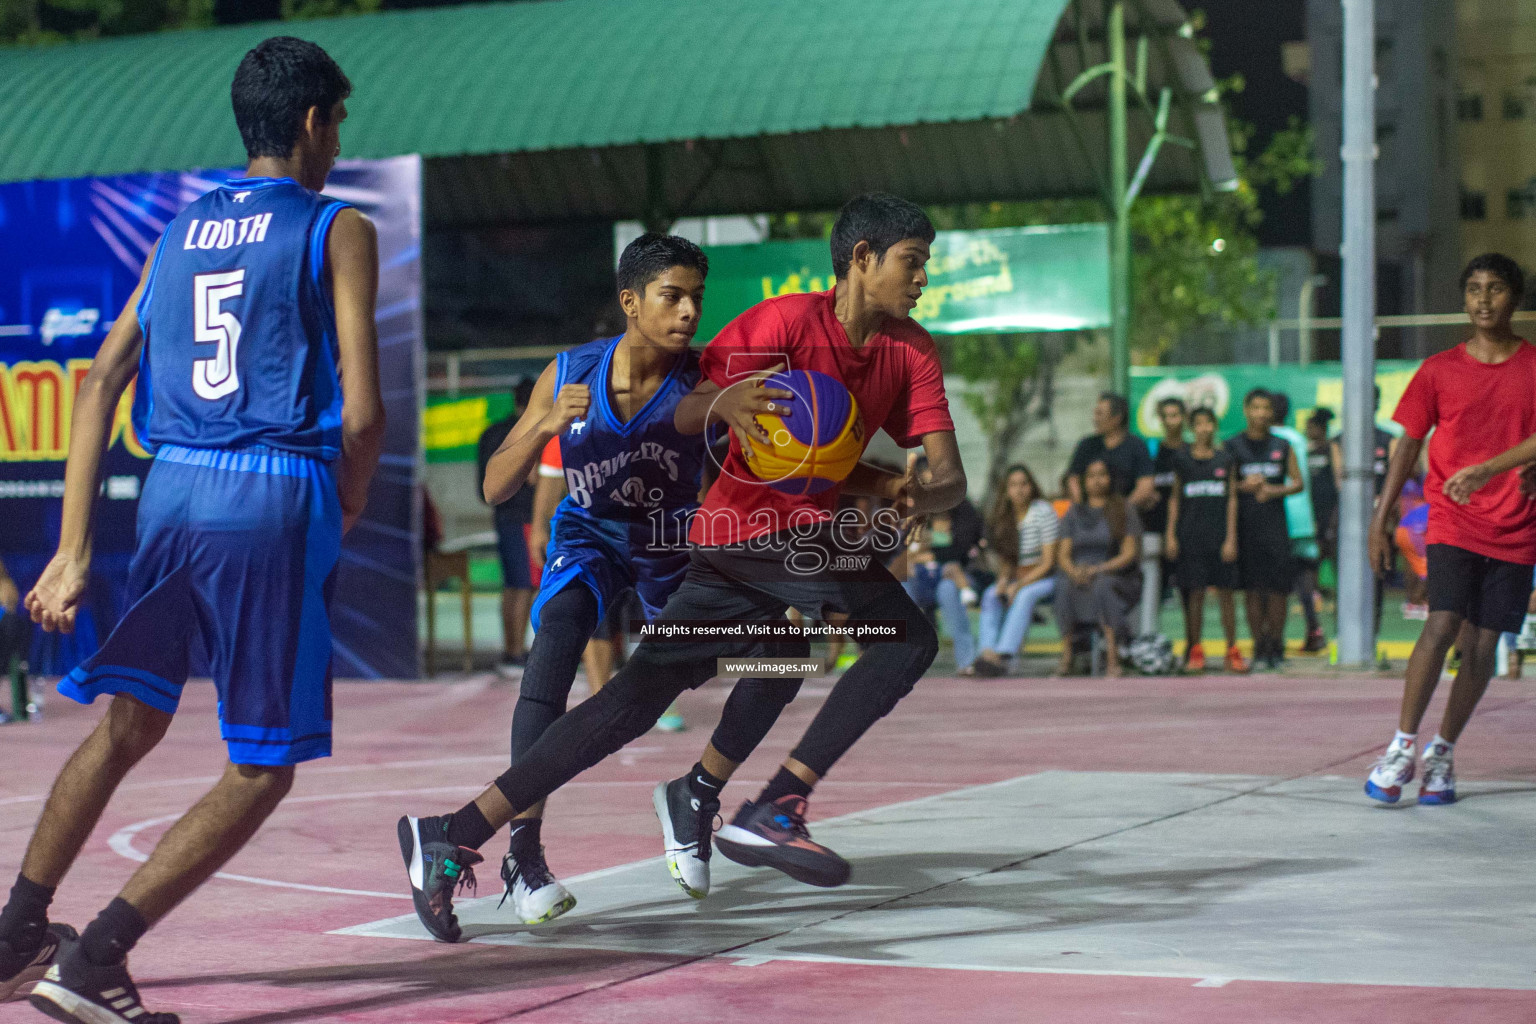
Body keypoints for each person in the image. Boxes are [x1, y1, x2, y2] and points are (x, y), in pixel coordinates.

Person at [397, 192, 964, 942]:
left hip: (701, 548)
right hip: (690, 536)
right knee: (900, 637)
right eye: (912, 262)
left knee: (731, 674)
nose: (922, 278)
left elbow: (891, 464)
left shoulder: (908, 352)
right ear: (862, 258)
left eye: (696, 297)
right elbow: (685, 415)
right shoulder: (767, 329)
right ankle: (761, 807)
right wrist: (707, 404)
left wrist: (913, 485)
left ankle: (465, 827)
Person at [3, 38, 382, 1022]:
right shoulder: (337, 227)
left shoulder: (178, 232)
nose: (339, 141)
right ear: (310, 122)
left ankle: (14, 929)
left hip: (172, 486)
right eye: (337, 120)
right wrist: (344, 501)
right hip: (270, 489)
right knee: (263, 763)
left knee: (129, 719)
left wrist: (74, 545)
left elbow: (97, 379)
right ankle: (96, 958)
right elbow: (365, 412)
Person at [469, 232, 789, 924]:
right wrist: (541, 427)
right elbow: (497, 487)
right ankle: (524, 854)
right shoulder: (571, 373)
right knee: (555, 645)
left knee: (782, 653)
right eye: (672, 296)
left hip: (671, 546)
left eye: (696, 298)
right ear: (630, 302)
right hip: (588, 537)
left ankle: (695, 793)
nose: (687, 312)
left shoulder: (707, 381)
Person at [1372, 253, 1536, 805]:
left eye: (1494, 289)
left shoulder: (1534, 366)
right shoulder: (1439, 369)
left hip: (1516, 523)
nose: (1483, 299)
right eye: (1473, 289)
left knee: (1486, 643)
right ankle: (1402, 746)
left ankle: (1442, 753)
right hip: (1453, 517)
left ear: (1515, 297)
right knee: (1442, 623)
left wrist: (1496, 469)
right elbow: (1407, 445)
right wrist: (1381, 516)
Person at [1227, 389, 1303, 670]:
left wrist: (1273, 490)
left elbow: (1298, 482)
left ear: (1273, 412)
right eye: (1255, 407)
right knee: (1252, 589)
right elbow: (1223, 484)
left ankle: (1276, 643)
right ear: (1246, 410)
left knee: (1278, 590)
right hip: (1245, 527)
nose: (1261, 413)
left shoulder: (1282, 445)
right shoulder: (1232, 446)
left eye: (1266, 408)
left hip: (1276, 527)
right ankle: (1258, 644)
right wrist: (1242, 486)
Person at [1164, 407, 1243, 673]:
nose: (1204, 428)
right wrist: (1171, 534)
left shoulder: (1226, 459)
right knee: (1194, 594)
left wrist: (1231, 537)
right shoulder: (1181, 460)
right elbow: (1175, 498)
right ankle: (1195, 649)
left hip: (1219, 537)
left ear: (1215, 427)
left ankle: (1232, 649)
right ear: (1192, 428)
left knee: (1226, 595)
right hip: (1190, 537)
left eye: (1209, 423)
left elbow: (1232, 498)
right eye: (1198, 424)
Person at [967, 464, 1058, 677]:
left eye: (1024, 484)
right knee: (991, 594)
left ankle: (1005, 654)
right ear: (1006, 491)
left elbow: (1048, 562)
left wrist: (1019, 584)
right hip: (1017, 576)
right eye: (1013, 485)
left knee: (1024, 595)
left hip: (1044, 577)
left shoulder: (1043, 511)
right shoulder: (1004, 517)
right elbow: (1008, 560)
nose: (1019, 490)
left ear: (1032, 487)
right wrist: (1003, 581)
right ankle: (987, 652)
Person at [1055, 459, 1142, 677]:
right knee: (1063, 585)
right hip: (1080, 574)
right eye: (1091, 476)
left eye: (1102, 474)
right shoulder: (1074, 512)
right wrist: (1074, 571)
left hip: (1117, 576)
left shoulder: (1123, 508)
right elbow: (1063, 554)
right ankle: (1067, 657)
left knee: (1103, 586)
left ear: (1110, 479)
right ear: (1084, 481)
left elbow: (1129, 554)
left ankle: (1112, 659)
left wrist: (1098, 569)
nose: (1097, 480)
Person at [478, 379, 538, 674]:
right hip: (525, 517)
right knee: (524, 585)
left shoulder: (491, 433)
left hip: (503, 516)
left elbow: (483, 489)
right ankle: (514, 652)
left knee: (513, 584)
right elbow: (535, 478)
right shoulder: (528, 431)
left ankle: (512, 649)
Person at [1066, 392, 1156, 510]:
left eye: (1100, 414)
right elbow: (1073, 479)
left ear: (1117, 418)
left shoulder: (1136, 446)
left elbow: (1145, 486)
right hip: (1090, 519)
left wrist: (1121, 512)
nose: (1095, 419)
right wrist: (1083, 509)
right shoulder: (1087, 445)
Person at [1145, 396, 1187, 611]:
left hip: (1186, 527)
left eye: (1176, 415)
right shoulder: (1151, 451)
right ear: (1160, 419)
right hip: (1155, 526)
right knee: (1153, 588)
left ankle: (1192, 641)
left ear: (1184, 418)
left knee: (1189, 590)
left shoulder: (1191, 452)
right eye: (1167, 416)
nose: (1171, 421)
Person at [1302, 408, 1339, 641]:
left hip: (1330, 516)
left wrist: (1334, 519)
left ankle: (1339, 606)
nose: (1307, 431)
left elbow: (1337, 485)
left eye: (1311, 426)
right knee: (1310, 566)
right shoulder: (1305, 452)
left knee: (1335, 561)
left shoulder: (1332, 449)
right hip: (1311, 516)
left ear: (1320, 427)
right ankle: (1314, 604)